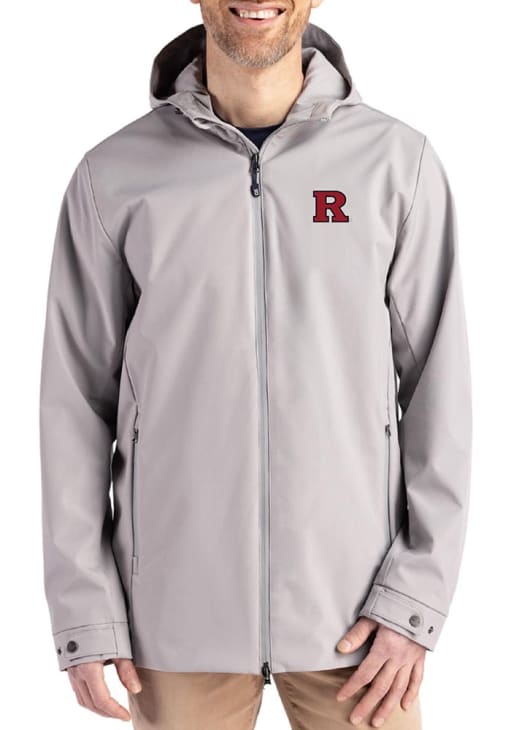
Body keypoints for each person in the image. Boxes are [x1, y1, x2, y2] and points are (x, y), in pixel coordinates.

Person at [39, 1, 472, 728]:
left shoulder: (397, 165)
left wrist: (415, 598)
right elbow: (74, 404)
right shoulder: (112, 176)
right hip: (173, 621)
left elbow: (440, 393)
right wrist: (84, 609)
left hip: (360, 623)